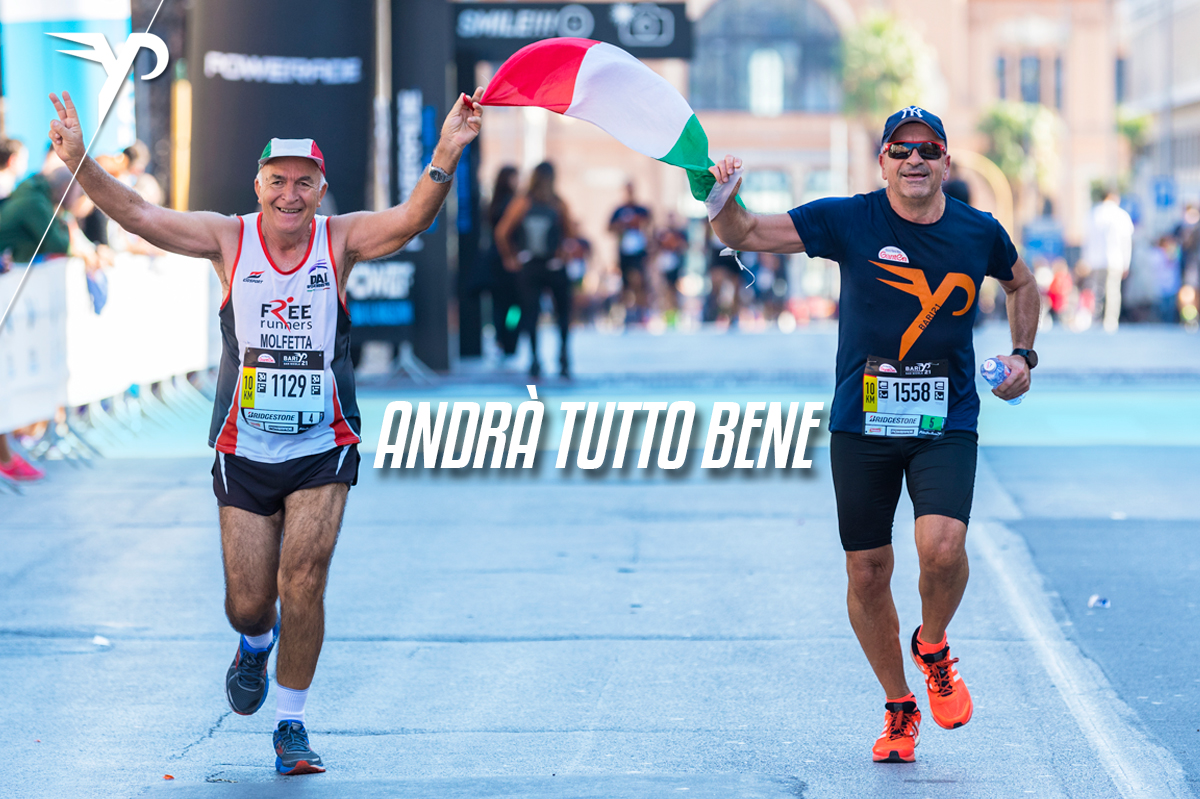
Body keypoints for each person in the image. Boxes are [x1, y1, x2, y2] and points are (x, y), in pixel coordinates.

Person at [48, 86, 483, 774]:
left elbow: (407, 221)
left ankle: (292, 722)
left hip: (322, 445)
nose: (290, 194)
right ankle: (255, 645)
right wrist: (79, 163)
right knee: (250, 602)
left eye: (302, 182)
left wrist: (446, 152)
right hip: (244, 449)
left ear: (320, 188)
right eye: (277, 181)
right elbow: (137, 213)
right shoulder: (230, 238)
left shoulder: (339, 241)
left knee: (303, 579)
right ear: (259, 186)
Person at [707, 106, 1038, 764]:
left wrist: (1024, 355)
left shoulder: (979, 231)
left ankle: (934, 644)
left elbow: (1023, 283)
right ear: (881, 161)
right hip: (862, 420)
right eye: (900, 149)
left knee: (942, 546)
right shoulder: (848, 219)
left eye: (927, 149)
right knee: (867, 571)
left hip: (947, 417)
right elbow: (742, 231)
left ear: (946, 161)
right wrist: (721, 192)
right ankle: (898, 703)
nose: (913, 160)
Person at [495, 161, 575, 378]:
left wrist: (511, 257)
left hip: (532, 265)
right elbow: (570, 233)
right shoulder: (554, 203)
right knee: (559, 313)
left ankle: (537, 359)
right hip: (547, 265)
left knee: (532, 313)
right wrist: (510, 257)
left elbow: (501, 232)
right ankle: (560, 357)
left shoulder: (526, 203)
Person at [1083, 188, 1133, 333]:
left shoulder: (1093, 214)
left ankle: (1096, 319)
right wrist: (1126, 262)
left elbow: (1087, 239)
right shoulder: (1121, 215)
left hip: (1095, 259)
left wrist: (1086, 259)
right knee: (1113, 291)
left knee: (1097, 290)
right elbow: (1126, 242)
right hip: (1115, 259)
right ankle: (1110, 322)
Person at [484, 165, 520, 359]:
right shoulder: (513, 203)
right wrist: (510, 256)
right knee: (514, 305)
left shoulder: (493, 203)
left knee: (499, 304)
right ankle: (509, 337)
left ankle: (501, 338)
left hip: (495, 259)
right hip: (508, 259)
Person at [609, 181, 652, 324]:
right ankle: (627, 312)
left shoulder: (641, 210)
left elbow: (650, 225)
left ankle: (640, 311)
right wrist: (622, 225)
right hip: (624, 251)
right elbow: (609, 228)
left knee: (638, 280)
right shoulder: (618, 210)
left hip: (639, 251)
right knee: (625, 283)